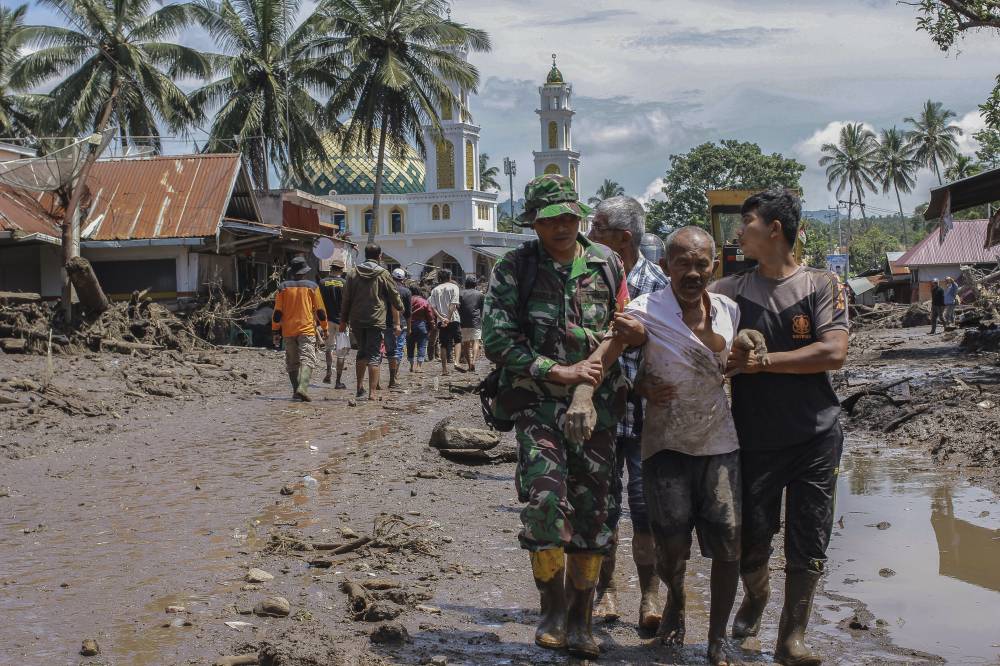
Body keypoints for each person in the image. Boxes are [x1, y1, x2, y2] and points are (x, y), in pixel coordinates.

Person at [482, 174, 631, 659]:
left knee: (593, 513)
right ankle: (552, 609)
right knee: (546, 504)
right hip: (537, 405)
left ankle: (581, 618)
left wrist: (587, 382)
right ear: (535, 223)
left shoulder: (607, 264)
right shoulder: (515, 267)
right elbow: (498, 340)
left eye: (569, 216)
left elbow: (622, 328)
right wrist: (560, 371)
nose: (562, 226)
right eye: (550, 220)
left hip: (599, 410)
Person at [711, 188, 848, 666]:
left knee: (809, 535)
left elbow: (832, 353)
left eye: (746, 221)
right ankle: (757, 594)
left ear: (773, 228)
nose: (738, 232)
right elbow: (705, 345)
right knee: (751, 537)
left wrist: (761, 365)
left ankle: (792, 637)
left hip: (816, 433)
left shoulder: (821, 284)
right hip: (753, 437)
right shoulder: (729, 291)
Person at [613, 226, 744, 665]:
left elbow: (737, 366)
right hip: (664, 443)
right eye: (683, 263)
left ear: (714, 266)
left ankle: (718, 638)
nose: (692, 272)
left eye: (701, 263)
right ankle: (676, 602)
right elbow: (610, 365)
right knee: (671, 545)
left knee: (728, 541)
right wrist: (638, 384)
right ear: (667, 265)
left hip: (718, 442)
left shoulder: (727, 309)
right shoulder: (642, 310)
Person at [587, 197, 668, 631]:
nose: (590, 234)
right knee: (601, 508)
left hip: (643, 418)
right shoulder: (587, 278)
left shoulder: (656, 284)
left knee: (644, 509)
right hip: (599, 414)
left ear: (623, 238)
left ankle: (650, 594)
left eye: (597, 228)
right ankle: (606, 590)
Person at [340, 243, 403, 401]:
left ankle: (359, 388)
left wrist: (343, 320)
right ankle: (372, 393)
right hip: (376, 319)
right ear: (379, 256)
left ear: (365, 255)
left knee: (361, 352)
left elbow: (346, 299)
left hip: (356, 319)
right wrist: (400, 306)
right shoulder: (383, 273)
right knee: (374, 355)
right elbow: (394, 294)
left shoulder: (353, 273)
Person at [271, 256, 328, 401]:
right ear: (305, 272)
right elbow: (320, 311)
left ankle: (296, 391)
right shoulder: (312, 286)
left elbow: (277, 313)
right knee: (307, 359)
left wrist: (276, 331)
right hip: (306, 329)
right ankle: (302, 388)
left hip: (288, 331)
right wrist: (325, 328)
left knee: (292, 362)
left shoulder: (282, 288)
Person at [318, 260, 348, 388]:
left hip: (327, 321)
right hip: (342, 321)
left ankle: (329, 370)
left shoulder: (322, 282)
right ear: (341, 270)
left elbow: (318, 303)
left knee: (329, 347)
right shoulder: (345, 283)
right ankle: (338, 381)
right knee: (341, 352)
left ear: (331, 269)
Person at [429, 269, 462, 375]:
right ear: (450, 277)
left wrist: (442, 318)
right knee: (457, 341)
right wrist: (448, 318)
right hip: (453, 319)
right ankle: (456, 362)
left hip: (441, 321)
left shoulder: (435, 290)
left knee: (443, 344)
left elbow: (433, 307)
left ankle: (444, 369)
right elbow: (453, 304)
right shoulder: (454, 287)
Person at [387, 268, 412, 389]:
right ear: (403, 279)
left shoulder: (385, 288)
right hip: (400, 325)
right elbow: (408, 312)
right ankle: (394, 377)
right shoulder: (406, 292)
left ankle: (377, 381)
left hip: (385, 324)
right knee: (398, 350)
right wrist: (409, 327)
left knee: (383, 351)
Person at [458, 274, 485, 373]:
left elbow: (458, 308)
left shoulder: (460, 294)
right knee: (476, 341)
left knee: (465, 343)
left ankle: (469, 365)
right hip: (476, 321)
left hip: (463, 321)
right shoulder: (480, 295)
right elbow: (482, 310)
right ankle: (473, 361)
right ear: (475, 284)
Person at [407, 286, 436, 372]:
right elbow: (430, 315)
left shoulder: (407, 301)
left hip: (409, 325)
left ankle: (411, 365)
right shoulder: (424, 301)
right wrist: (432, 326)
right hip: (421, 325)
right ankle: (419, 366)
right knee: (422, 345)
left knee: (410, 345)